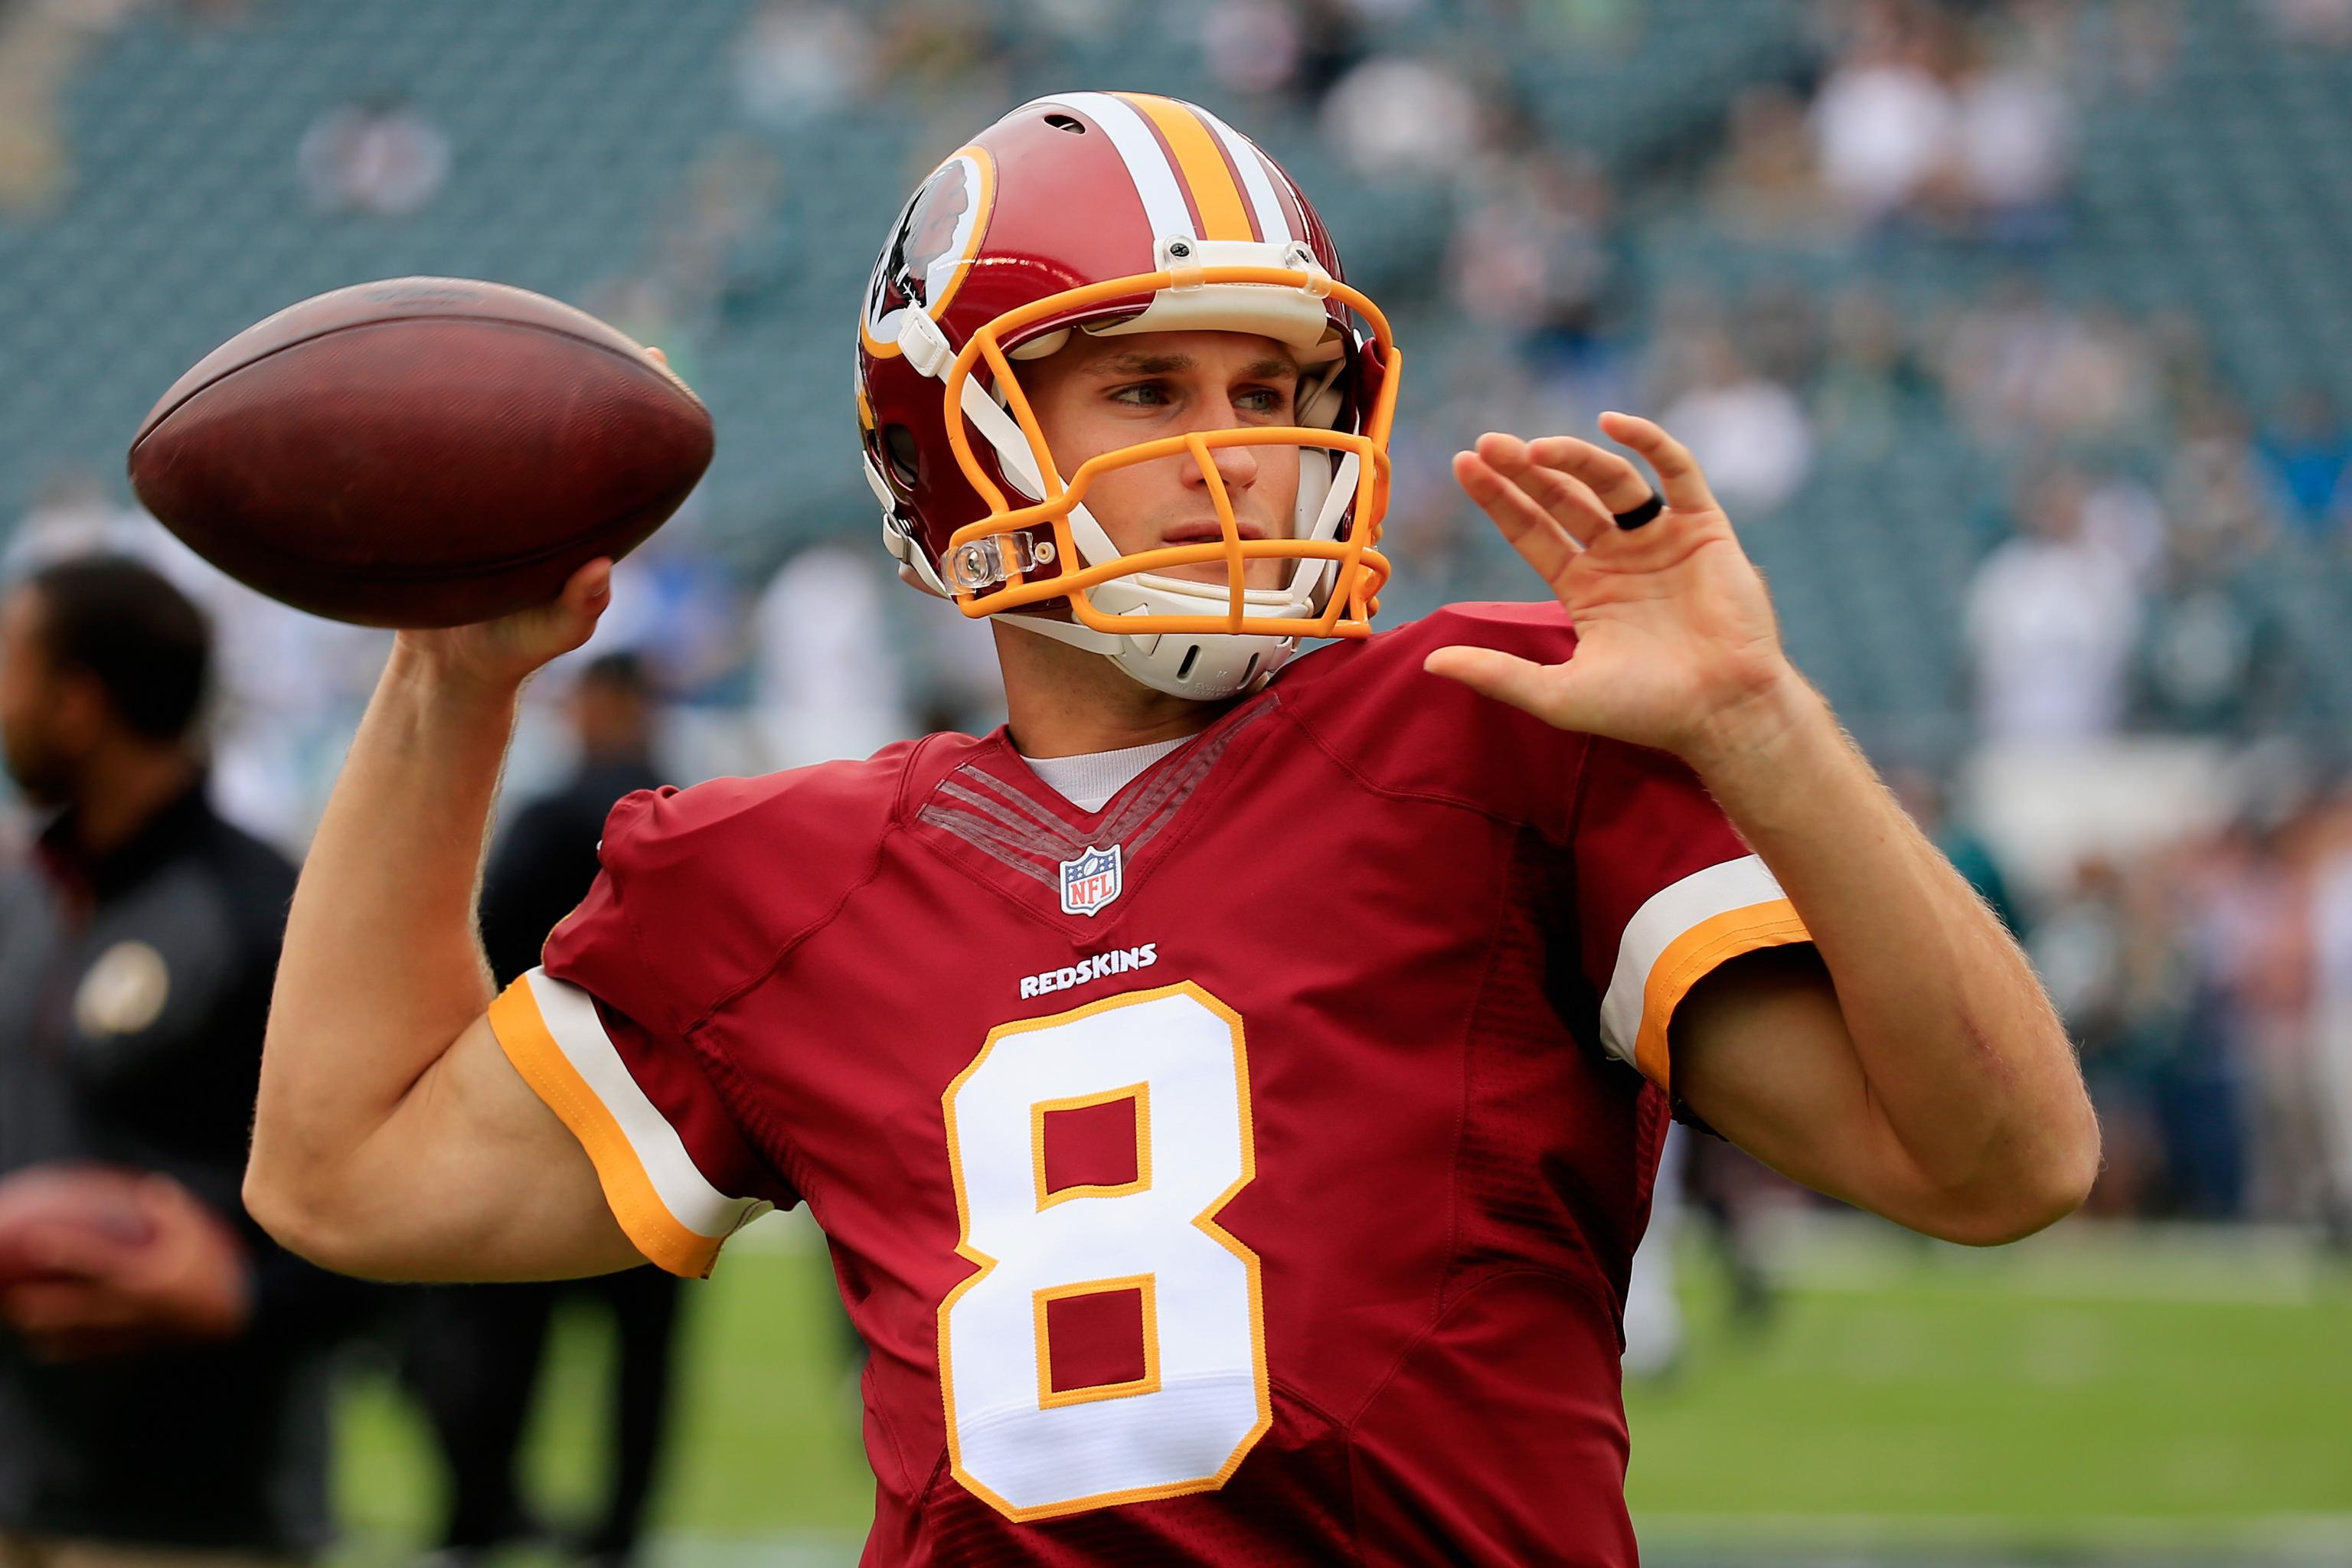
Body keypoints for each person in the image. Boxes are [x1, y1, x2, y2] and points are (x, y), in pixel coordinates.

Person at [247, 93, 2099, 1564]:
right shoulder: (770, 875)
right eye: (1145, 385)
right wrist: (449, 688)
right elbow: (344, 1171)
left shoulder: (1495, 727)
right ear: (952, 440)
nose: (1233, 449)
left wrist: (1760, 727)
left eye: (1274, 390)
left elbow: (1993, 1162)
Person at [0, 557, 356, 1566]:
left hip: (194, 1519)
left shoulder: (265, 917)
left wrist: (245, 1294)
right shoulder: (23, 900)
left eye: (10, 667)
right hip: (17, 1487)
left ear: (78, 704)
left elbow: (386, 1218)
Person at [401, 653, 682, 1568]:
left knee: (506, 1337)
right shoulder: (699, 813)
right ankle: (619, 1529)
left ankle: (477, 1514)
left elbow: (481, 949)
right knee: (642, 1355)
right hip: (667, 1128)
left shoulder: (554, 814)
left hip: (550, 1113)